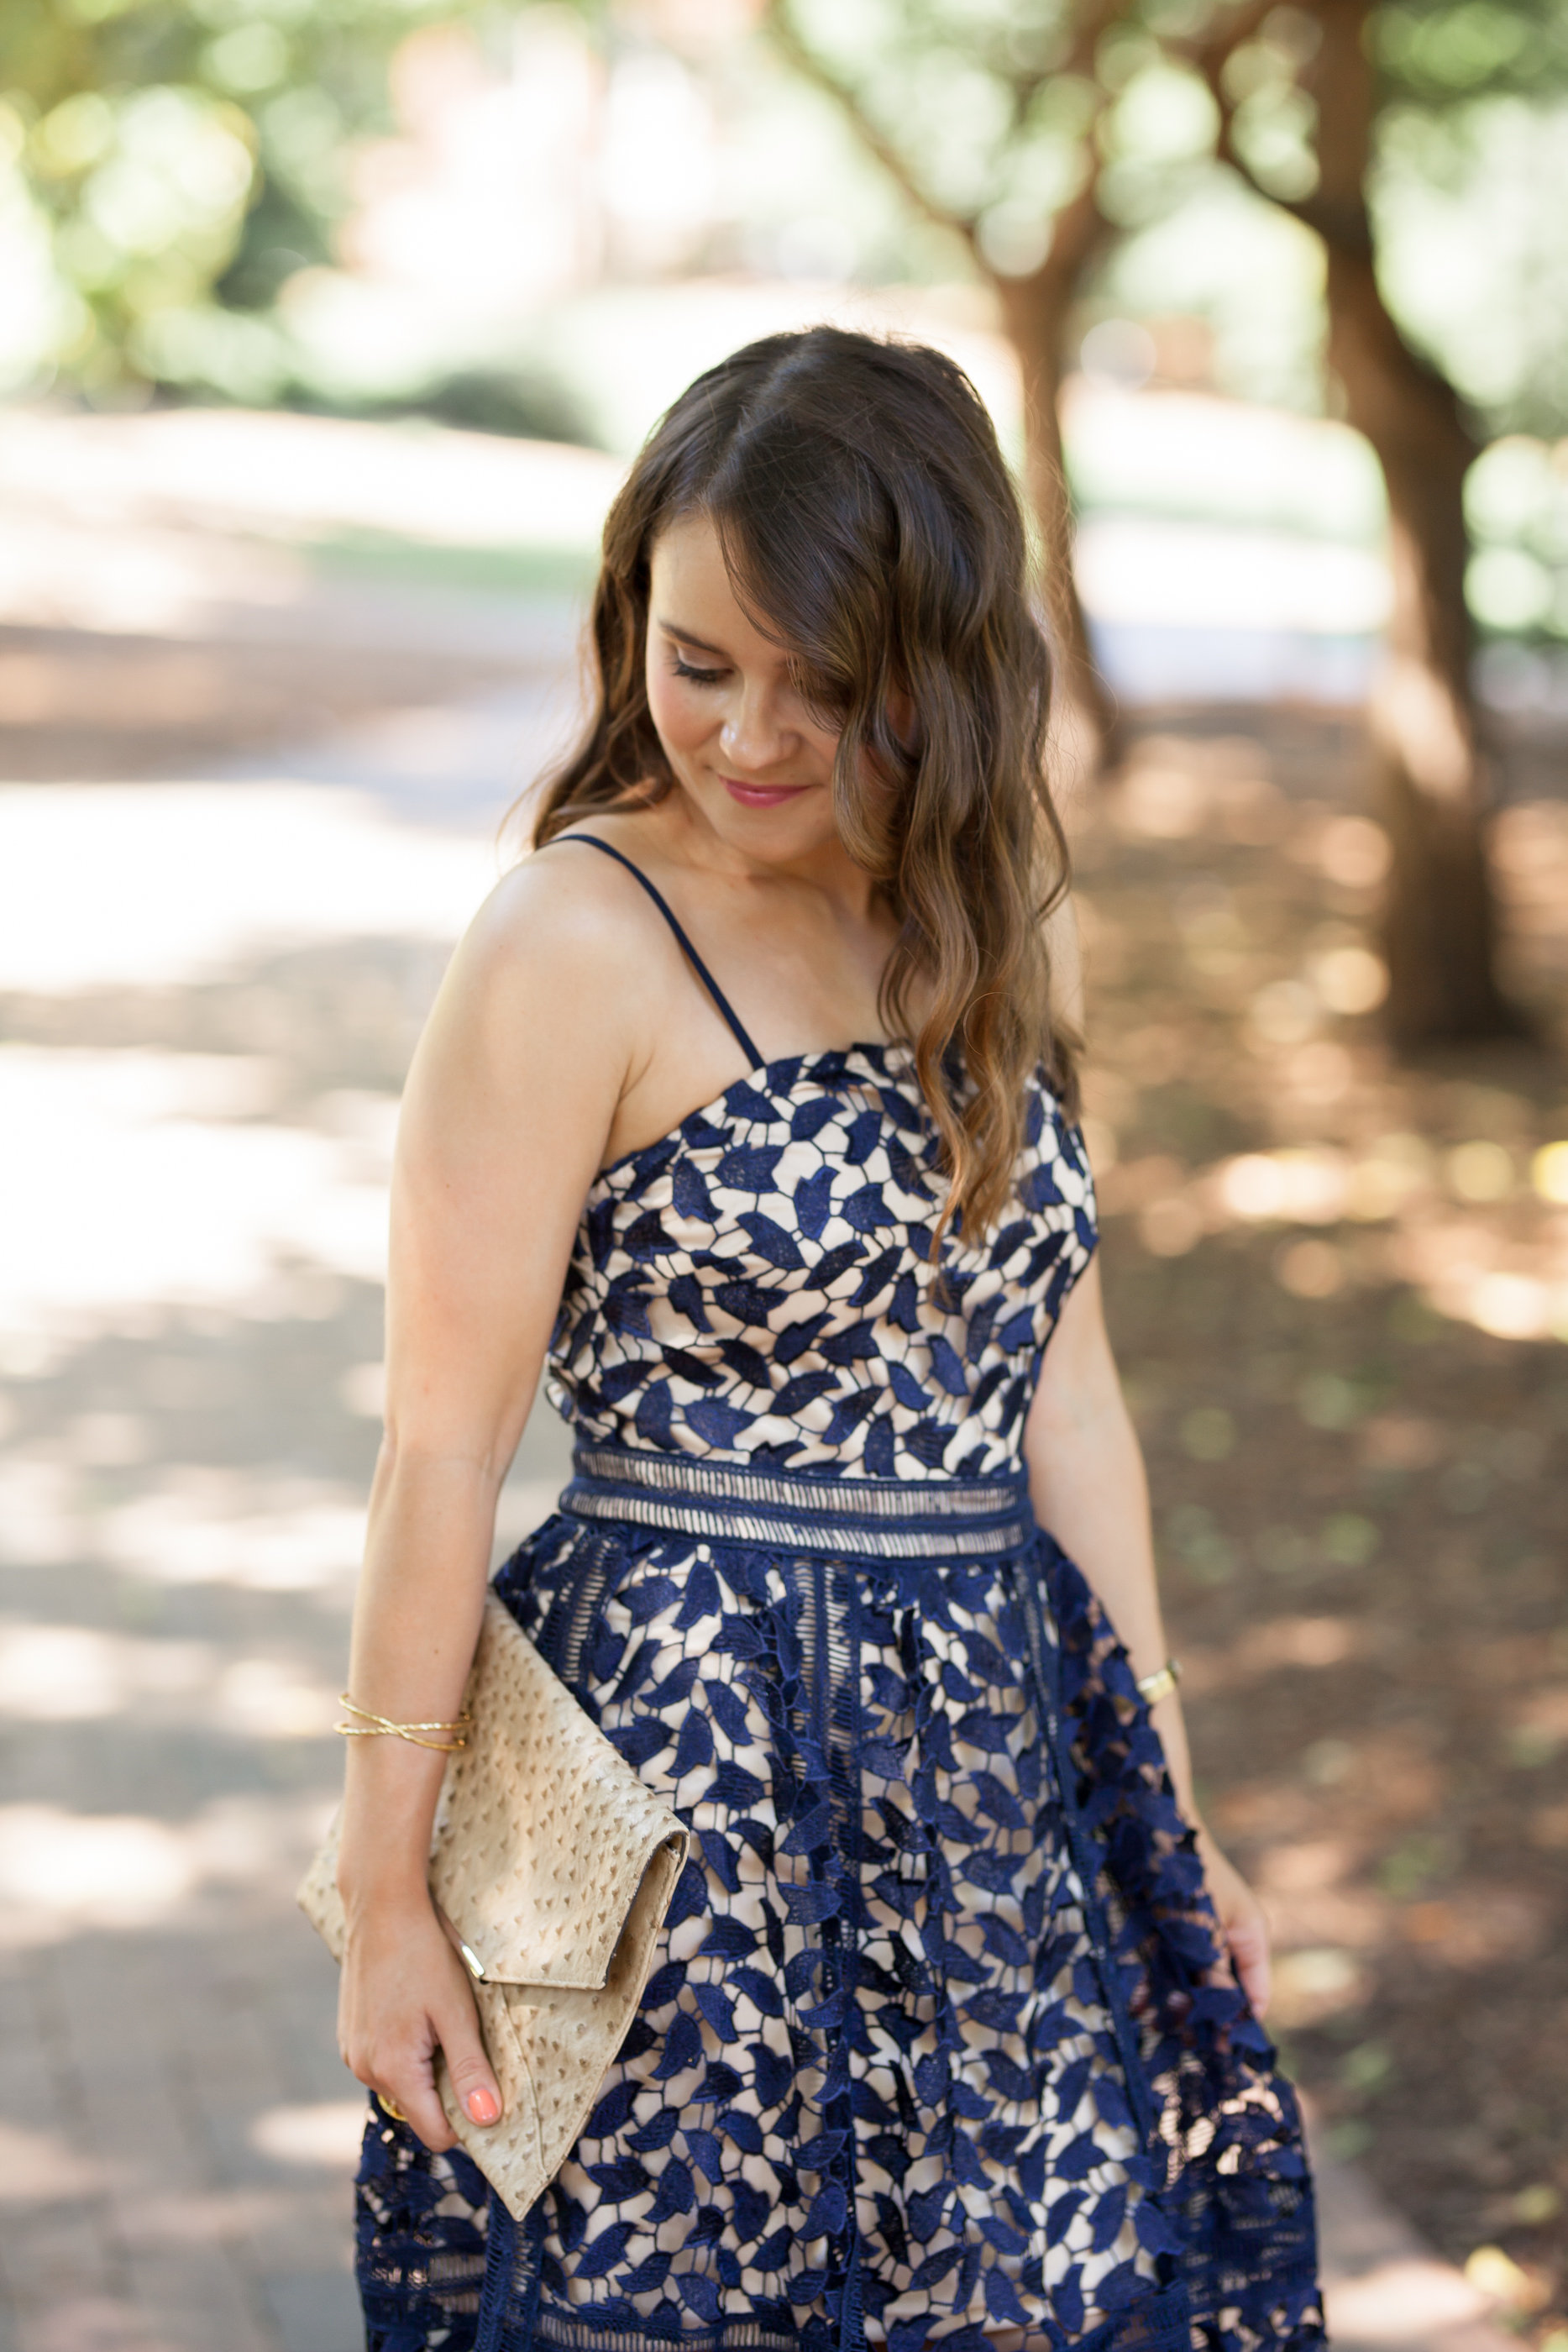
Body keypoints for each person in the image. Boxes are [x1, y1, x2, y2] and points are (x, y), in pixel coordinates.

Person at [333, 326, 1324, 2352]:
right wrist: (385, 1901)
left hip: (988, 1785)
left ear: (939, 671)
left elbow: (1071, 1396)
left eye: (828, 683)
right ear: (635, 623)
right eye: (701, 662)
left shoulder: (989, 919)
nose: (752, 732)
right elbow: (439, 1446)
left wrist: (1172, 1795)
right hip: (675, 1802)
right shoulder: (573, 936)